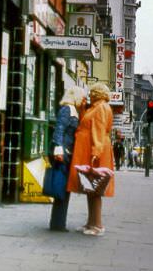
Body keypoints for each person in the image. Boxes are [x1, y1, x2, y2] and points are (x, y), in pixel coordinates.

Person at [68, 82, 115, 237]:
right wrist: (82, 109)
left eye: (92, 92)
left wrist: (96, 152)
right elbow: (88, 124)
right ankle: (91, 222)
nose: (90, 95)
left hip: (94, 151)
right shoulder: (96, 107)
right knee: (90, 188)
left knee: (95, 189)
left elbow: (99, 131)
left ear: (97, 93)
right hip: (90, 149)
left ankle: (98, 225)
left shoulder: (101, 107)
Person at [49, 85, 87, 232]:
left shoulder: (74, 110)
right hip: (63, 153)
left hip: (66, 152)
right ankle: (57, 223)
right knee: (62, 188)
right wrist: (58, 149)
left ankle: (59, 222)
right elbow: (59, 129)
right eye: (82, 97)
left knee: (64, 189)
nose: (84, 99)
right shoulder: (67, 109)